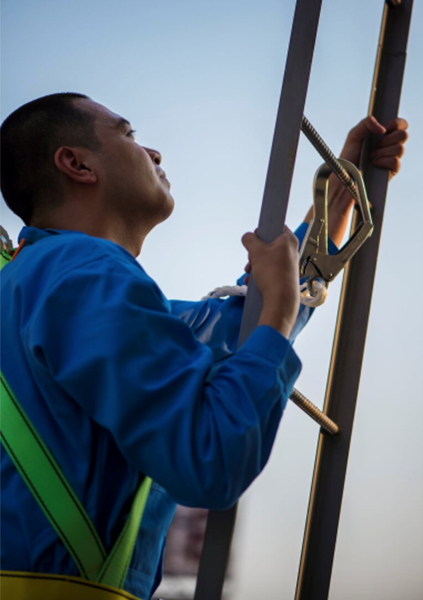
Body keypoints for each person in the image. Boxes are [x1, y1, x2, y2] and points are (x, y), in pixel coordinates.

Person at [0, 93, 408, 599]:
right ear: (77, 163)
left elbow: (229, 326)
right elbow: (209, 458)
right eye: (128, 134)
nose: (154, 153)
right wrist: (278, 312)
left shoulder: (37, 285)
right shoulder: (87, 275)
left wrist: (340, 194)